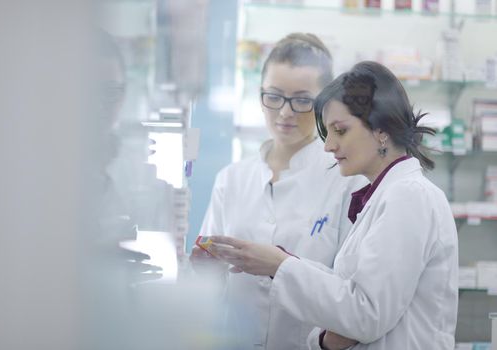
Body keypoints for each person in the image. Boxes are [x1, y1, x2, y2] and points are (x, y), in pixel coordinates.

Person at [209, 61, 459, 350]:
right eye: (327, 133)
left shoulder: (409, 196)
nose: (328, 146)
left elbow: (366, 314)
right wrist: (280, 263)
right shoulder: (385, 195)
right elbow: (350, 292)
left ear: (380, 130)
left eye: (340, 131)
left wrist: (281, 266)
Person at [191, 33, 366, 349]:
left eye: (302, 100)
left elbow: (353, 294)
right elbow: (207, 282)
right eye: (273, 96)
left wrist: (282, 266)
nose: (285, 113)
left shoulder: (347, 181)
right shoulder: (231, 179)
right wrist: (205, 270)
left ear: (325, 104)